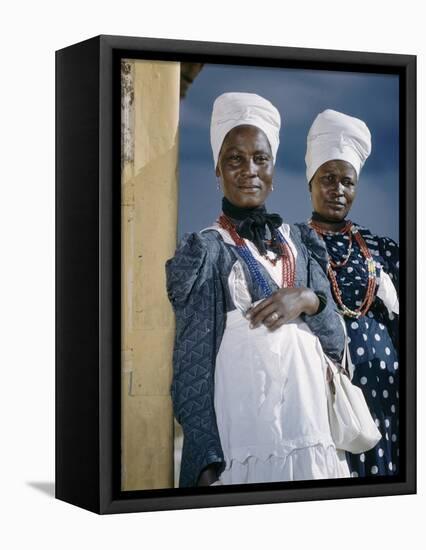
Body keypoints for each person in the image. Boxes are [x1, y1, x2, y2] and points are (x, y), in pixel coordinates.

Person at [166, 93, 349, 488]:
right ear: (217, 169)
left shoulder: (299, 242)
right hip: (243, 449)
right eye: (235, 158)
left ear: (273, 169)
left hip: (310, 439)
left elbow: (335, 342)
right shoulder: (209, 251)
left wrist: (308, 299)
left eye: (260, 158)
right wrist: (206, 459)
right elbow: (191, 367)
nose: (249, 170)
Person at [297, 109, 399, 478]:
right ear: (310, 181)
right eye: (327, 178)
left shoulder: (382, 249)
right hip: (327, 400)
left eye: (347, 182)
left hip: (387, 399)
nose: (337, 190)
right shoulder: (292, 244)